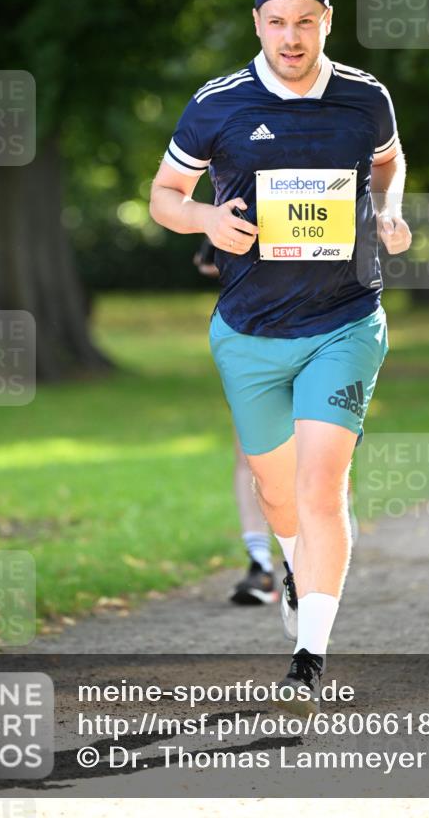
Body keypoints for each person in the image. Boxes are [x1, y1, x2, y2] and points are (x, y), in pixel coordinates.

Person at [150, 0, 411, 712]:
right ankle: (294, 569)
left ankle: (309, 653)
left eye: (305, 23)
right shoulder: (217, 104)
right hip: (248, 328)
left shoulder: (365, 98)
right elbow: (165, 194)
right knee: (275, 492)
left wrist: (388, 209)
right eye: (276, 23)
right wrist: (205, 219)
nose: (290, 38)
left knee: (320, 483)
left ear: (326, 21)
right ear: (257, 24)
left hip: (345, 318)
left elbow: (389, 164)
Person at [194, 237, 278, 605]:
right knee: (251, 456)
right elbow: (208, 262)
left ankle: (317, 550)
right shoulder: (240, 185)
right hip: (253, 330)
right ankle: (261, 563)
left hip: (329, 328)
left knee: (321, 453)